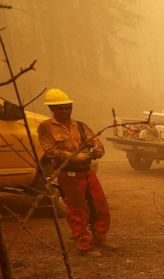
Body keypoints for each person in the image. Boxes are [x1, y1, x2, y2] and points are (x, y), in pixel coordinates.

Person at [36, 88, 115, 254]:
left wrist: (97, 150)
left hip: (87, 171)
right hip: (68, 174)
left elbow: (96, 142)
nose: (65, 110)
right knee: (77, 210)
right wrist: (76, 156)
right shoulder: (45, 128)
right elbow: (51, 151)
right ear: (52, 109)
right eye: (61, 108)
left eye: (67, 106)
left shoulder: (80, 126)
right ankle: (84, 245)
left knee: (99, 205)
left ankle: (99, 237)